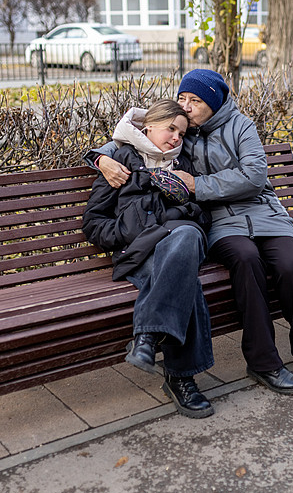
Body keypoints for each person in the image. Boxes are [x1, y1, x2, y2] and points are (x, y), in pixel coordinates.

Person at [88, 70, 293, 395]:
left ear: (212, 103)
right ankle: (261, 362)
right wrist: (100, 158)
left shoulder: (237, 127)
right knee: (244, 261)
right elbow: (129, 138)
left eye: (194, 101)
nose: (185, 108)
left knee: (289, 265)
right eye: (182, 99)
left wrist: (196, 185)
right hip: (221, 224)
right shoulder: (179, 139)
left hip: (261, 215)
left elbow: (254, 175)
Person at [82, 99, 215, 418]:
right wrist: (128, 232)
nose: (175, 138)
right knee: (186, 282)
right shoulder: (121, 161)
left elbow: (203, 216)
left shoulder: (183, 166)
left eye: (181, 134)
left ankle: (146, 337)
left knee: (186, 236)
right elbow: (93, 223)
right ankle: (181, 379)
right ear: (149, 127)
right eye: (170, 129)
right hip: (140, 252)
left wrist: (181, 208)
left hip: (179, 242)